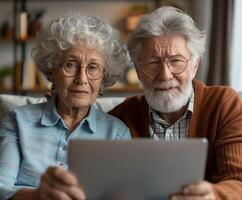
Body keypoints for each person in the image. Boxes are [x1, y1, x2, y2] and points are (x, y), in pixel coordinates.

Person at [109, 6, 242, 200]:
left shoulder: (224, 104)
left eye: (176, 61)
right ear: (138, 70)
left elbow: (238, 179)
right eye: (152, 62)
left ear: (195, 65)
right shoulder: (121, 116)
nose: (165, 75)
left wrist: (214, 195)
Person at [0, 13, 131, 200]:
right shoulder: (19, 120)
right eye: (70, 65)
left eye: (93, 67)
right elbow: (1, 186)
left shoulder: (117, 133)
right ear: (51, 72)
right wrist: (38, 196)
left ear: (103, 79)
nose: (82, 79)